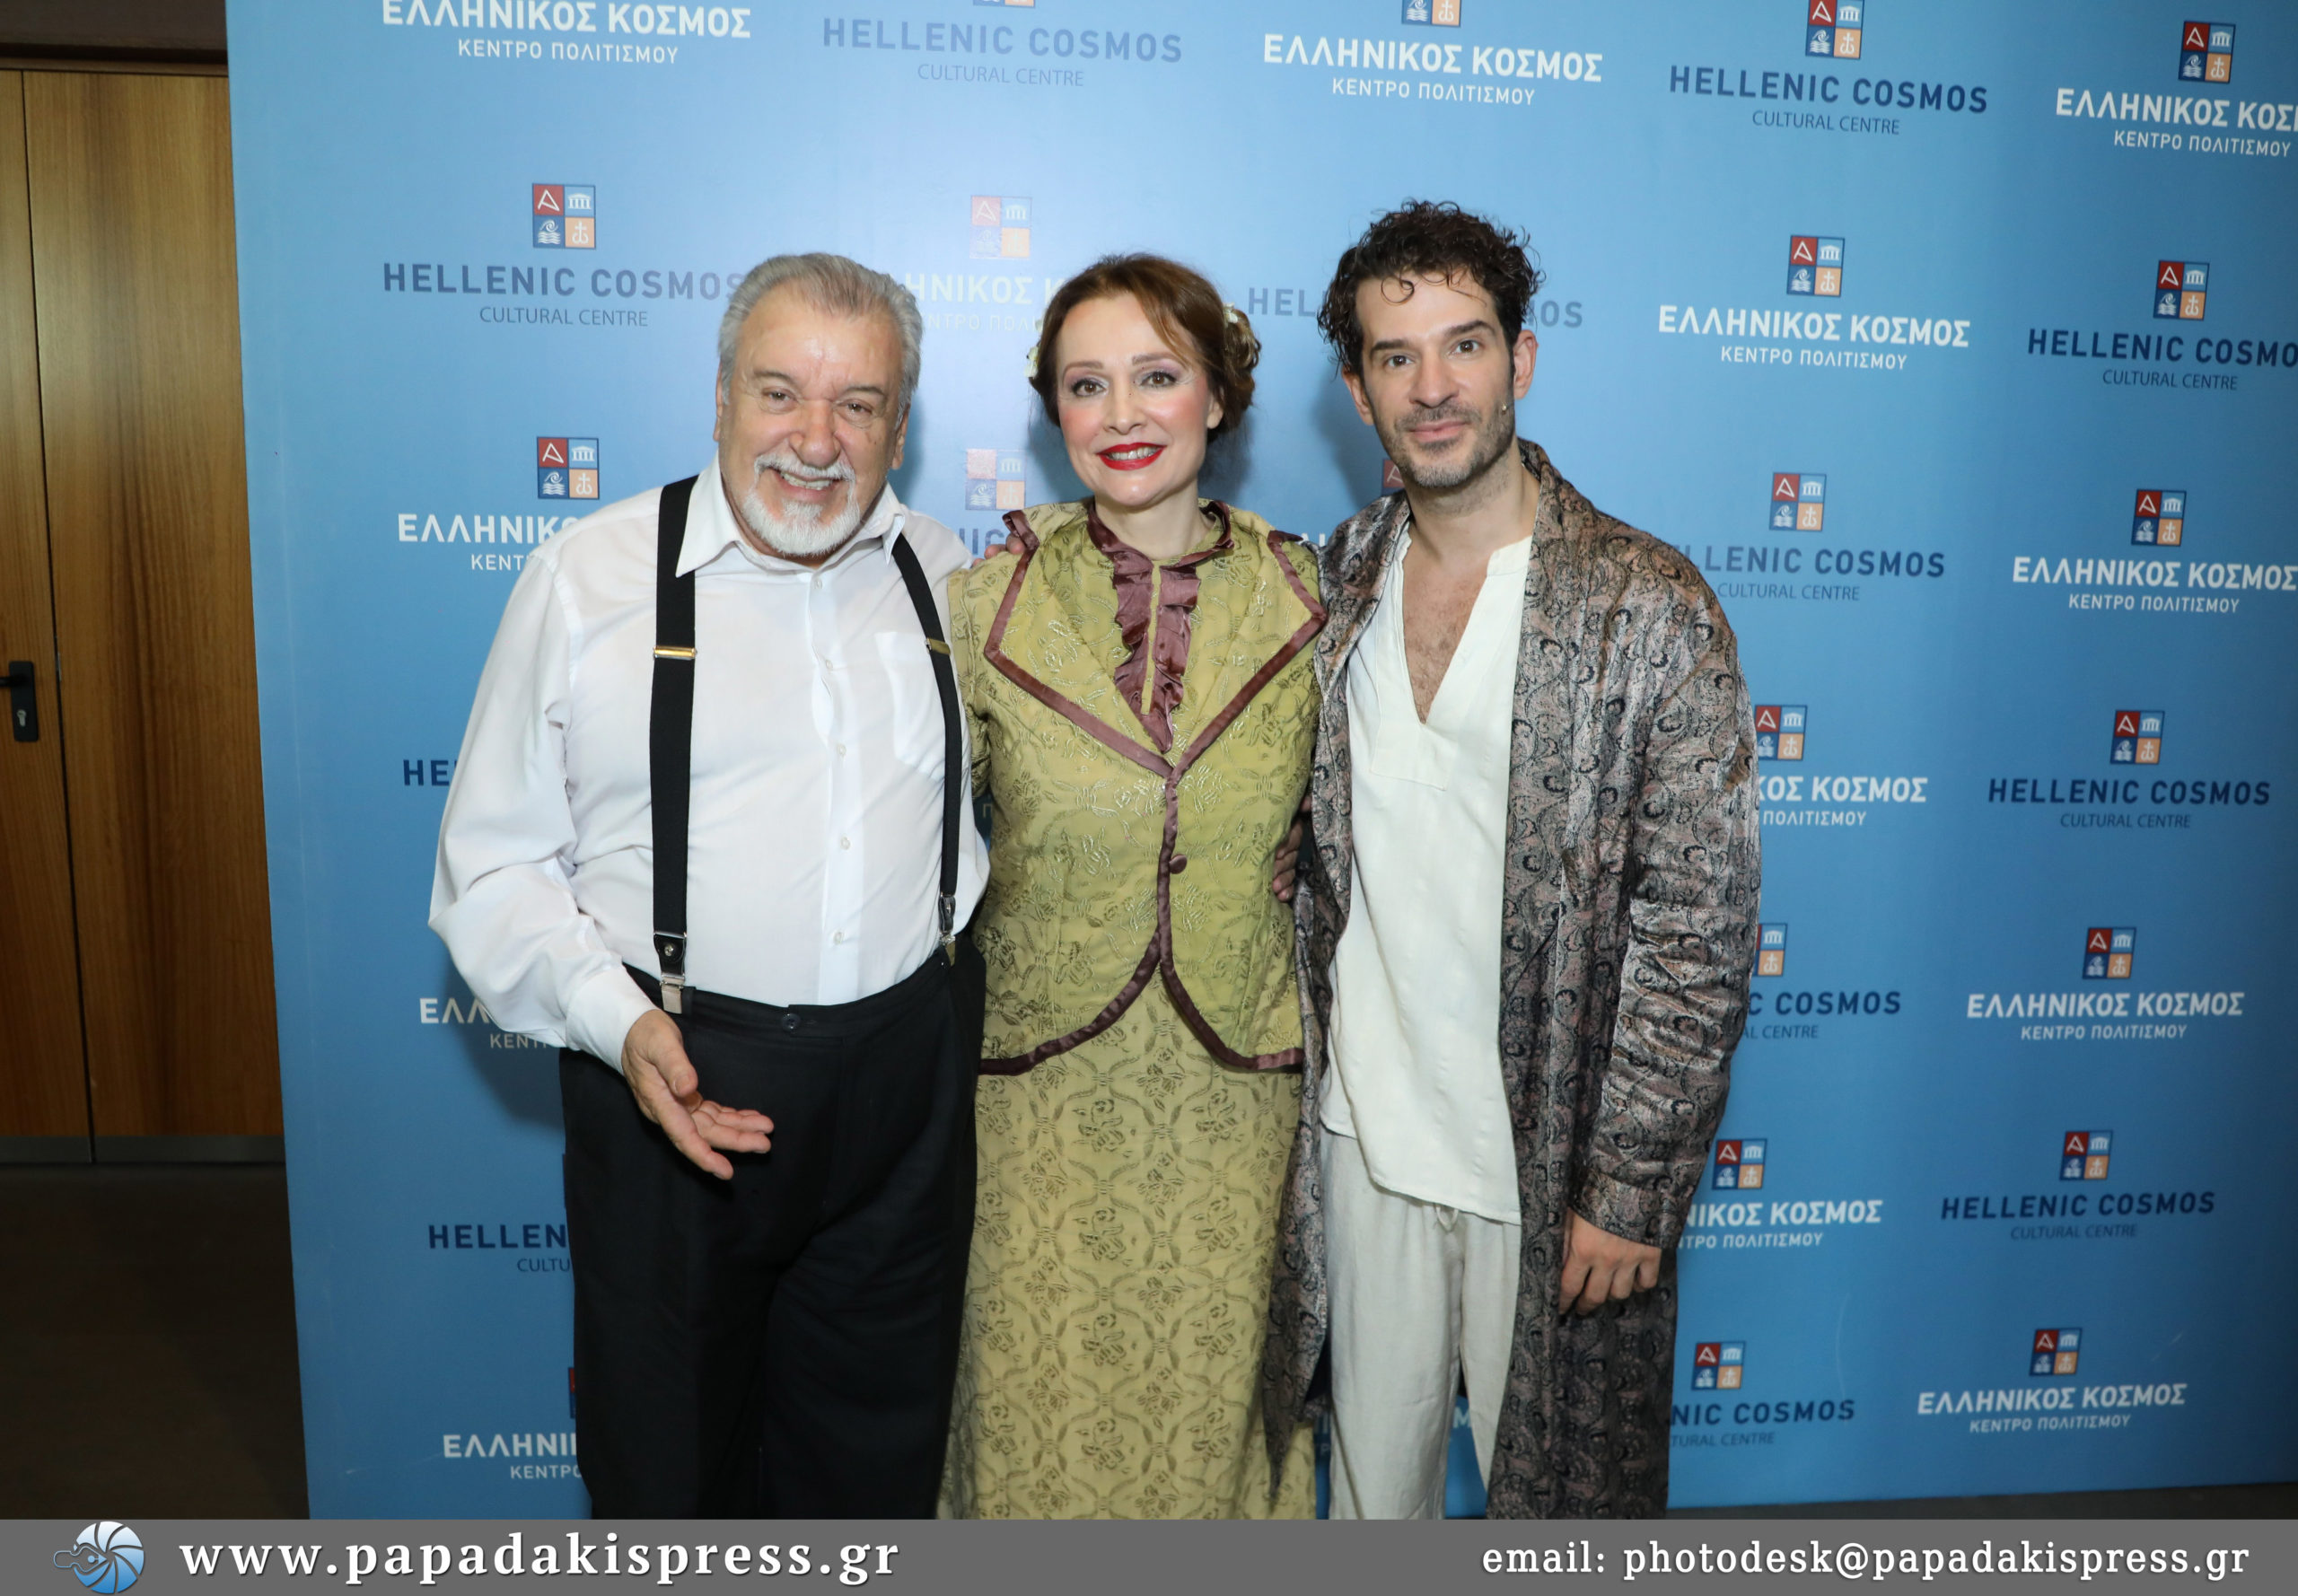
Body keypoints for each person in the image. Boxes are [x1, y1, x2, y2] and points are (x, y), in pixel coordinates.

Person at [429, 253, 987, 1518]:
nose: (815, 441)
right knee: (668, 1477)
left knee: (876, 1474)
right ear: (723, 396)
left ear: (901, 427)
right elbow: (491, 864)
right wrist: (617, 1023)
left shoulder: (948, 572)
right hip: (674, 1083)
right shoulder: (588, 576)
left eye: (857, 405)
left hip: (905, 1104)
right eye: (780, 393)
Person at [1261, 202, 1759, 1519]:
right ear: (1359, 391)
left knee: (1568, 1513)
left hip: (1548, 1166)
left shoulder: (1648, 605)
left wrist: (1632, 1187)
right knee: (1371, 1510)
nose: (1434, 387)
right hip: (1366, 1142)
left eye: (1465, 344)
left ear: (1521, 359)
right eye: (1396, 356)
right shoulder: (1336, 582)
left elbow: (1700, 925)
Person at [939, 254, 1322, 1519]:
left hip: (1237, 1089)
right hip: (1038, 1099)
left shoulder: (1317, 595)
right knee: (1032, 1416)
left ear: (1218, 393)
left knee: (1214, 1427)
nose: (1121, 415)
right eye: (1086, 384)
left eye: (1158, 376)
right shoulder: (980, 603)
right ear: (1053, 409)